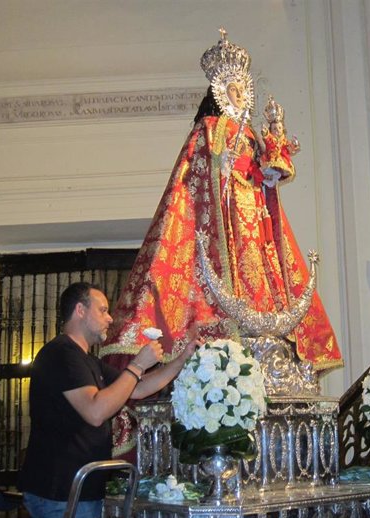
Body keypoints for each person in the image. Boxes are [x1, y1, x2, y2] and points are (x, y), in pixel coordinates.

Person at [100, 28, 342, 459]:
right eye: (231, 86)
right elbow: (196, 182)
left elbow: (271, 173)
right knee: (225, 284)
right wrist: (224, 165)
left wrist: (271, 163)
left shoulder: (250, 135)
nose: (238, 93)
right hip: (222, 225)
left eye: (241, 86)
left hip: (253, 222)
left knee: (268, 276)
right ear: (219, 90)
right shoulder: (208, 131)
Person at [19, 282, 197, 518]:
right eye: (102, 310)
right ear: (80, 310)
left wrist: (183, 359)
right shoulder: (60, 353)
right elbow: (95, 412)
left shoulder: (88, 361)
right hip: (60, 493)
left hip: (83, 491)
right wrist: (138, 365)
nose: (110, 318)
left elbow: (138, 388)